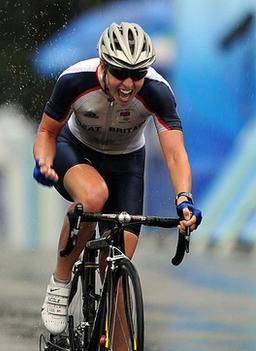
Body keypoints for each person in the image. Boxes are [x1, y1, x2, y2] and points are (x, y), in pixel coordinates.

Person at [32, 22, 202, 345]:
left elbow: (176, 154)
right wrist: (43, 160)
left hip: (126, 164)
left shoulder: (156, 90)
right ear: (103, 65)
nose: (128, 84)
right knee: (94, 195)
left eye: (137, 74)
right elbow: (46, 133)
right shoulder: (74, 80)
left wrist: (184, 199)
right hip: (75, 151)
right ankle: (61, 278)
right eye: (120, 73)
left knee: (118, 275)